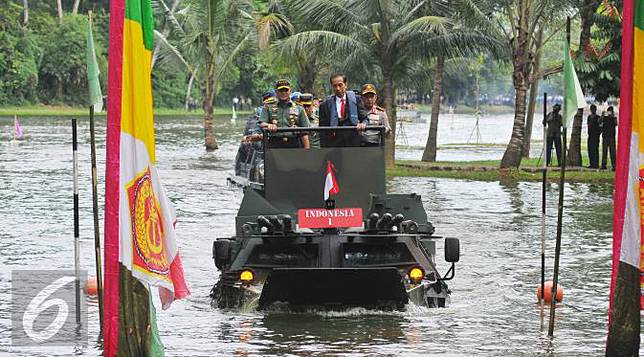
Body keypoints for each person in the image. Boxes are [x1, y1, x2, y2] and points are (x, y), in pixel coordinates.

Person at [258, 79, 310, 149]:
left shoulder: (299, 108)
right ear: (276, 92)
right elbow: (262, 123)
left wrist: (307, 152)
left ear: (290, 91)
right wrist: (269, 125)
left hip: (294, 143)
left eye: (286, 90)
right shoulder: (268, 107)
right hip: (274, 143)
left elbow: (305, 132)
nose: (283, 93)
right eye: (281, 90)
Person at [318, 73, 367, 147]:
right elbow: (322, 130)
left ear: (345, 85)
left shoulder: (356, 100)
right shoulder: (325, 105)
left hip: (353, 143)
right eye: (335, 86)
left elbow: (365, 118)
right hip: (334, 144)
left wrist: (363, 124)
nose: (337, 88)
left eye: (340, 85)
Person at [601, 106, 617, 171]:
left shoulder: (614, 118)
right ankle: (603, 165)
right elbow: (599, 122)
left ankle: (614, 165)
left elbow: (616, 123)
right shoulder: (604, 118)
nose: (610, 113)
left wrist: (613, 116)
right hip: (605, 136)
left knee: (612, 152)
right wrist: (602, 115)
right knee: (604, 152)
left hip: (611, 137)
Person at [586, 104, 601, 168]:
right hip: (590, 135)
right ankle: (591, 163)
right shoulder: (589, 117)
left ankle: (596, 164)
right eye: (591, 109)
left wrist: (598, 133)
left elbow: (600, 126)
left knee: (595, 150)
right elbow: (588, 125)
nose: (592, 110)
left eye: (593, 109)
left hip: (595, 136)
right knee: (590, 150)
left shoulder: (598, 117)